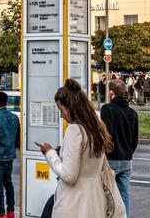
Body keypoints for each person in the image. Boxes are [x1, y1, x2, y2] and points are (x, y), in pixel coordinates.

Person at [36, 79, 121, 218]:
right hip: (95, 200)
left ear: (70, 107)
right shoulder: (95, 127)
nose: (61, 114)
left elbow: (69, 176)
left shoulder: (74, 130)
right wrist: (63, 152)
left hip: (74, 203)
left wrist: (50, 153)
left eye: (61, 109)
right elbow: (87, 160)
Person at [100, 79, 138, 218]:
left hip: (111, 159)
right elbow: (135, 139)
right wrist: (128, 153)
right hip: (127, 160)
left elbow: (106, 134)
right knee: (124, 196)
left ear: (111, 92)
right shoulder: (133, 113)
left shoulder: (107, 109)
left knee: (105, 195)